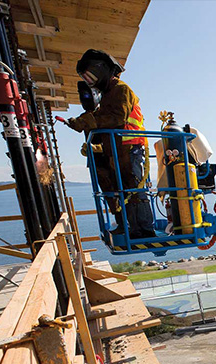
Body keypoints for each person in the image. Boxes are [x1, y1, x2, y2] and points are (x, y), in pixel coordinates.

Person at [64, 49, 154, 239]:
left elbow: (116, 118)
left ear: (102, 69)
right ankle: (128, 227)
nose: (89, 81)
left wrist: (86, 121)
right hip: (116, 150)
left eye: (89, 76)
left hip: (131, 148)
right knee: (119, 190)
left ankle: (145, 230)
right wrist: (85, 125)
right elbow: (101, 118)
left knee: (135, 190)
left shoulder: (122, 90)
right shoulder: (108, 95)